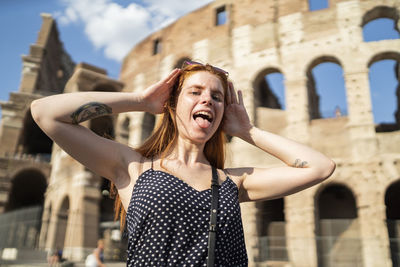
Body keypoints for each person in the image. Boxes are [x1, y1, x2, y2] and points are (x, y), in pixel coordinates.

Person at [31, 61, 335, 266]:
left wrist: (247, 131)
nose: (207, 100)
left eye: (216, 96)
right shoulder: (134, 167)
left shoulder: (232, 181)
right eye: (195, 91)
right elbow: (45, 112)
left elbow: (319, 167)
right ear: (173, 105)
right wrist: (141, 101)